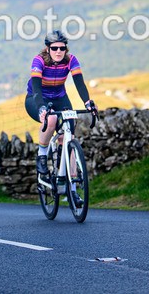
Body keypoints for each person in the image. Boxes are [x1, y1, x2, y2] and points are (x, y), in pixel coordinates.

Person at [24, 30, 98, 207]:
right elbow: (36, 87)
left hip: (59, 98)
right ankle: (42, 156)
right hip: (36, 98)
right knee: (50, 121)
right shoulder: (39, 60)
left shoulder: (71, 60)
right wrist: (42, 107)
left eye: (62, 48)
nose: (58, 51)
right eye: (54, 48)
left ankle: (72, 191)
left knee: (69, 137)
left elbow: (79, 83)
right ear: (48, 49)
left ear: (66, 49)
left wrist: (88, 103)